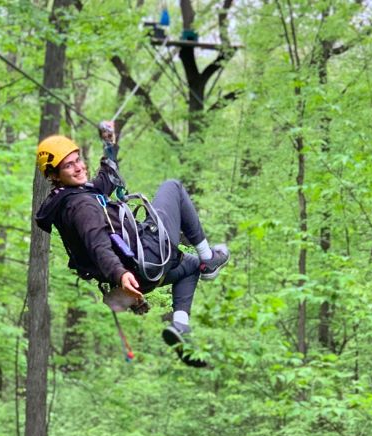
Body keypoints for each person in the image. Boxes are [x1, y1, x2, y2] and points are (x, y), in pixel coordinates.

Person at [34, 134, 229, 356]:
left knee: (192, 268)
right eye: (69, 165)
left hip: (138, 275)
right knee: (172, 187)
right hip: (146, 260)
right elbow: (98, 244)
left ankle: (180, 326)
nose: (79, 167)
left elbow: (108, 179)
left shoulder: (73, 195)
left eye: (78, 159)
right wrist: (119, 274)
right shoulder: (80, 207)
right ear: (53, 175)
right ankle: (209, 258)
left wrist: (109, 145)